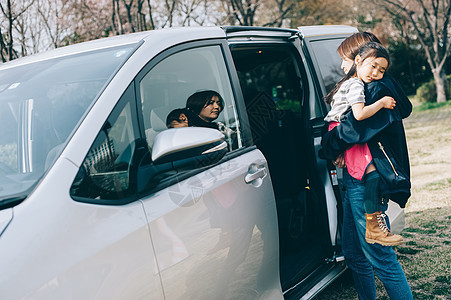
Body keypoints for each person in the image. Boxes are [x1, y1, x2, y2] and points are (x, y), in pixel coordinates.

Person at [320, 32, 413, 300]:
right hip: (353, 177)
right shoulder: (367, 85)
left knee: (379, 255)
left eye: (344, 59)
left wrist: (330, 146)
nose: (341, 66)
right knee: (354, 253)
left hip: (366, 180)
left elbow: (351, 129)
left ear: (359, 58)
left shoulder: (373, 89)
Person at [324, 42, 403, 246]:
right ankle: (374, 227)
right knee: (374, 175)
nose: (375, 73)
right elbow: (359, 115)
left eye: (381, 70)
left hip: (342, 131)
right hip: (341, 130)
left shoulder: (353, 82)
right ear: (358, 61)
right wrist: (382, 102)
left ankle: (373, 225)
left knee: (373, 175)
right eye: (373, 66)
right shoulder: (356, 84)